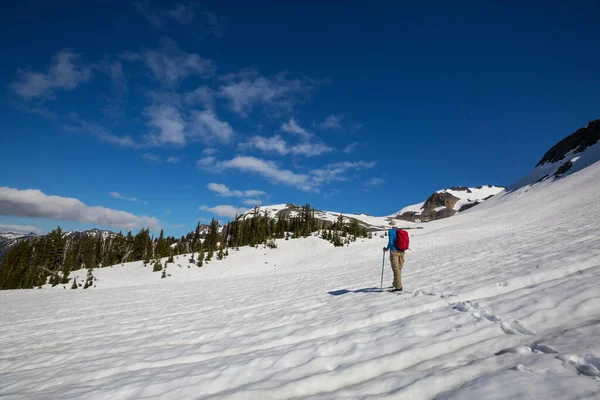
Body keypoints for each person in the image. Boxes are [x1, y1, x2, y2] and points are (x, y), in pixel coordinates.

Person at [383, 219, 405, 292]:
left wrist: (386, 249)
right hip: (402, 251)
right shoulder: (401, 231)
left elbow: (391, 242)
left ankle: (398, 287)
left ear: (392, 225)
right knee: (398, 268)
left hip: (394, 251)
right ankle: (395, 283)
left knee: (396, 269)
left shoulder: (391, 231)